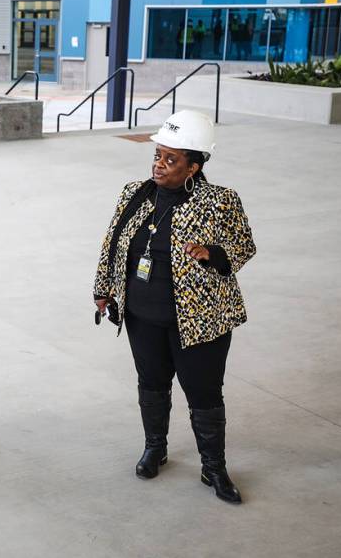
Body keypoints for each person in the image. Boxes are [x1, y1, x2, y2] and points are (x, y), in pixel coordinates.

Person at [92, 110, 256, 505]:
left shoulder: (220, 201)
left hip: (200, 322)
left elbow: (244, 247)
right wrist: (104, 289)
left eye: (170, 159)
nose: (159, 165)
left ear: (194, 166)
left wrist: (212, 253)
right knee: (151, 384)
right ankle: (155, 448)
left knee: (204, 394)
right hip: (142, 316)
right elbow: (112, 243)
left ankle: (213, 467)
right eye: (157, 156)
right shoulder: (135, 193)